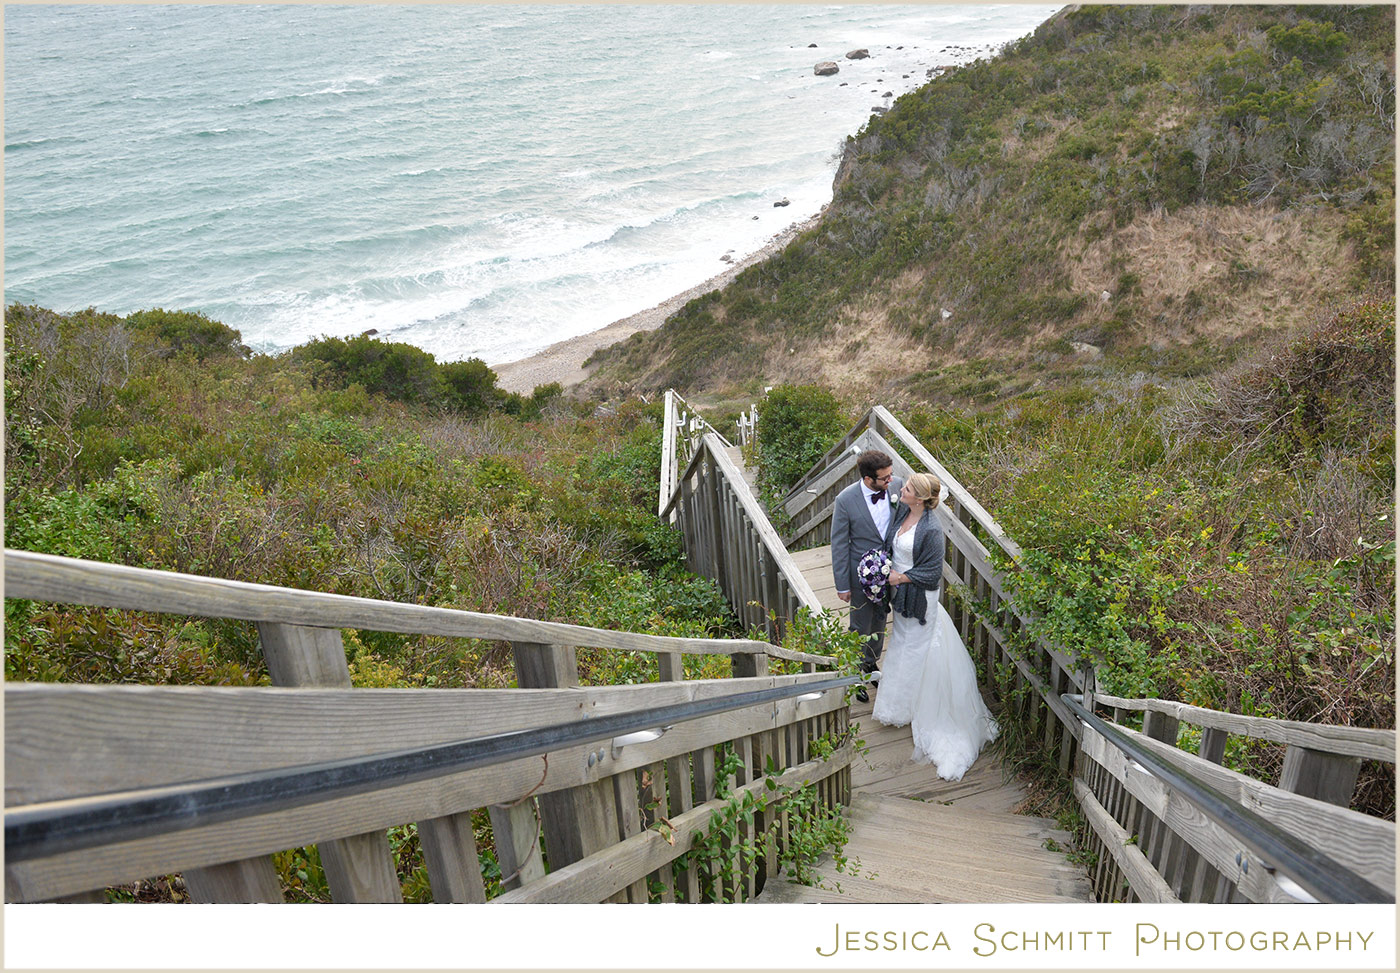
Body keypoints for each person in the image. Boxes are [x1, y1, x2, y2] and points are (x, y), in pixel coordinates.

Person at [870, 471, 999, 781]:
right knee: (901, 645)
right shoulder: (903, 511)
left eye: (908, 488)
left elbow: (931, 572)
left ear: (920, 499)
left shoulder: (931, 529)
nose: (902, 489)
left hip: (918, 597)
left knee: (918, 649)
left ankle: (923, 708)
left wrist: (899, 577)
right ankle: (898, 705)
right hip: (901, 596)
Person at [830, 449, 901, 703]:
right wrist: (842, 584)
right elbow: (839, 543)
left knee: (881, 618)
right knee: (859, 624)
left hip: (890, 570)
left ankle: (871, 663)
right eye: (885, 477)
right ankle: (854, 674)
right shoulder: (845, 499)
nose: (891, 480)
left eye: (891, 475)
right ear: (868, 479)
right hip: (860, 573)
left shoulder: (897, 487)